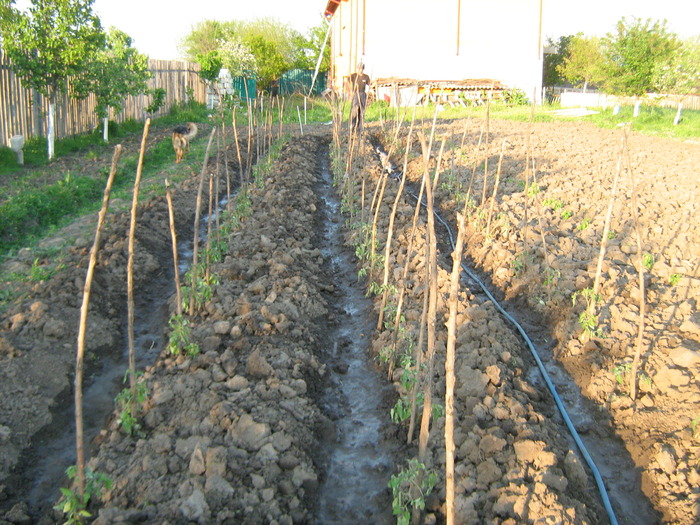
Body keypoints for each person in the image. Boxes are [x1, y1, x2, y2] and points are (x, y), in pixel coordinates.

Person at [349, 63, 370, 135]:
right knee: (354, 110)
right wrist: (350, 91)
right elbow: (347, 82)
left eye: (361, 68)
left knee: (362, 111)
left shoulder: (366, 77)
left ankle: (360, 127)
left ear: (363, 69)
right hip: (355, 94)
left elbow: (370, 84)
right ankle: (352, 126)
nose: (360, 70)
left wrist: (371, 89)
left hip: (362, 94)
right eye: (358, 68)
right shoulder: (353, 76)